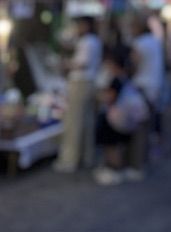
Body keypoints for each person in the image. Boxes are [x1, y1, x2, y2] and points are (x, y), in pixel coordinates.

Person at [53, 14, 102, 173]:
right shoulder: (93, 41)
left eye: (80, 25)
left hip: (81, 82)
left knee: (74, 122)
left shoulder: (87, 41)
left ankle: (69, 160)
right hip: (89, 82)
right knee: (86, 122)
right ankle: (86, 157)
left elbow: (82, 64)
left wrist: (64, 64)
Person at [92, 44, 138, 185]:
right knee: (116, 146)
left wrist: (99, 95)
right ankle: (116, 169)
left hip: (114, 118)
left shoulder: (116, 80)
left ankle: (113, 170)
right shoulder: (126, 77)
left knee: (112, 146)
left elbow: (109, 97)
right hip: (123, 119)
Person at [127, 14, 166, 177]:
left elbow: (134, 65)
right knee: (146, 127)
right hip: (154, 88)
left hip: (142, 88)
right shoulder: (155, 42)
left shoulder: (140, 43)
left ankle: (137, 166)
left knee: (139, 130)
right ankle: (142, 161)